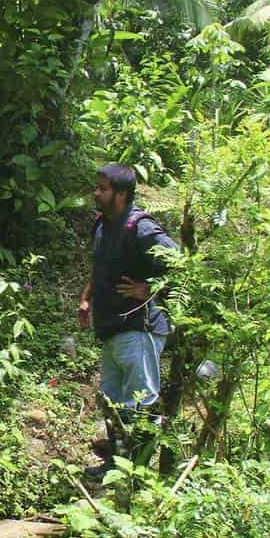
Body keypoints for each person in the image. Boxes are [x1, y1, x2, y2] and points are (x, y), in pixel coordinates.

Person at [77, 164, 179, 479]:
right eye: (97, 187)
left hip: (140, 327)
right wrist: (86, 297)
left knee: (143, 403)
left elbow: (180, 263)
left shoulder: (142, 227)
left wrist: (148, 289)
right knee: (113, 401)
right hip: (111, 328)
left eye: (103, 188)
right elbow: (101, 268)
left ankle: (138, 475)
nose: (96, 193)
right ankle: (117, 467)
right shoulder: (102, 226)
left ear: (121, 194)